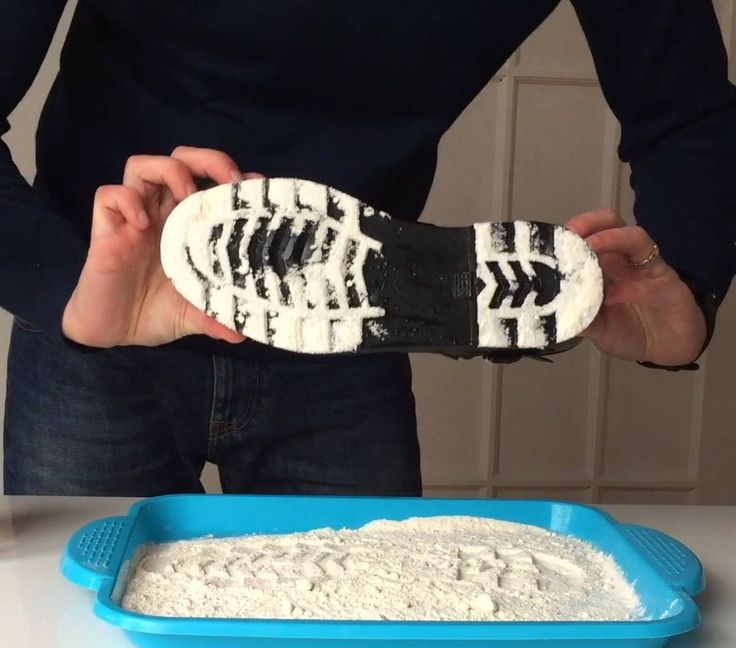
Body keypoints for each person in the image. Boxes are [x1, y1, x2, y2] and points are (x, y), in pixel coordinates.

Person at [2, 1, 734, 495]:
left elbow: (690, 113)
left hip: (346, 337)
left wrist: (690, 290)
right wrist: (67, 292)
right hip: (96, 332)